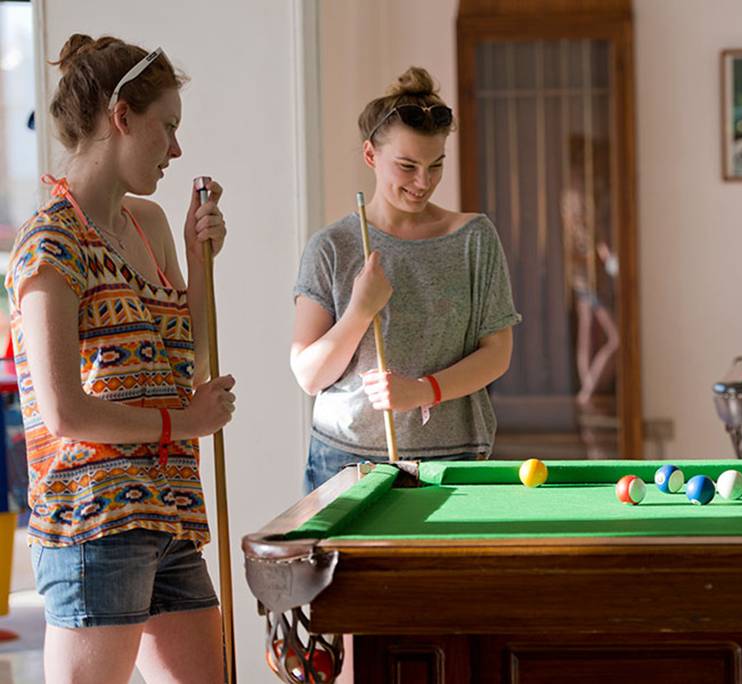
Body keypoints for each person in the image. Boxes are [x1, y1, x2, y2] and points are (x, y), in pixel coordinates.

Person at [4, 35, 235, 683]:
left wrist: (198, 261)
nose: (177, 148)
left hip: (170, 515)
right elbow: (65, 412)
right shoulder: (50, 243)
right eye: (167, 127)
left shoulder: (150, 225)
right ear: (121, 116)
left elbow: (192, 357)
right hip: (94, 525)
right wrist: (182, 425)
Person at [291, 66, 521, 491]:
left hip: (453, 460)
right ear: (370, 156)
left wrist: (423, 391)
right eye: (407, 165)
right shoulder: (332, 246)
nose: (423, 182)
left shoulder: (474, 238)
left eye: (436, 165)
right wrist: (360, 311)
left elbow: (497, 354)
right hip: (345, 461)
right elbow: (309, 375)